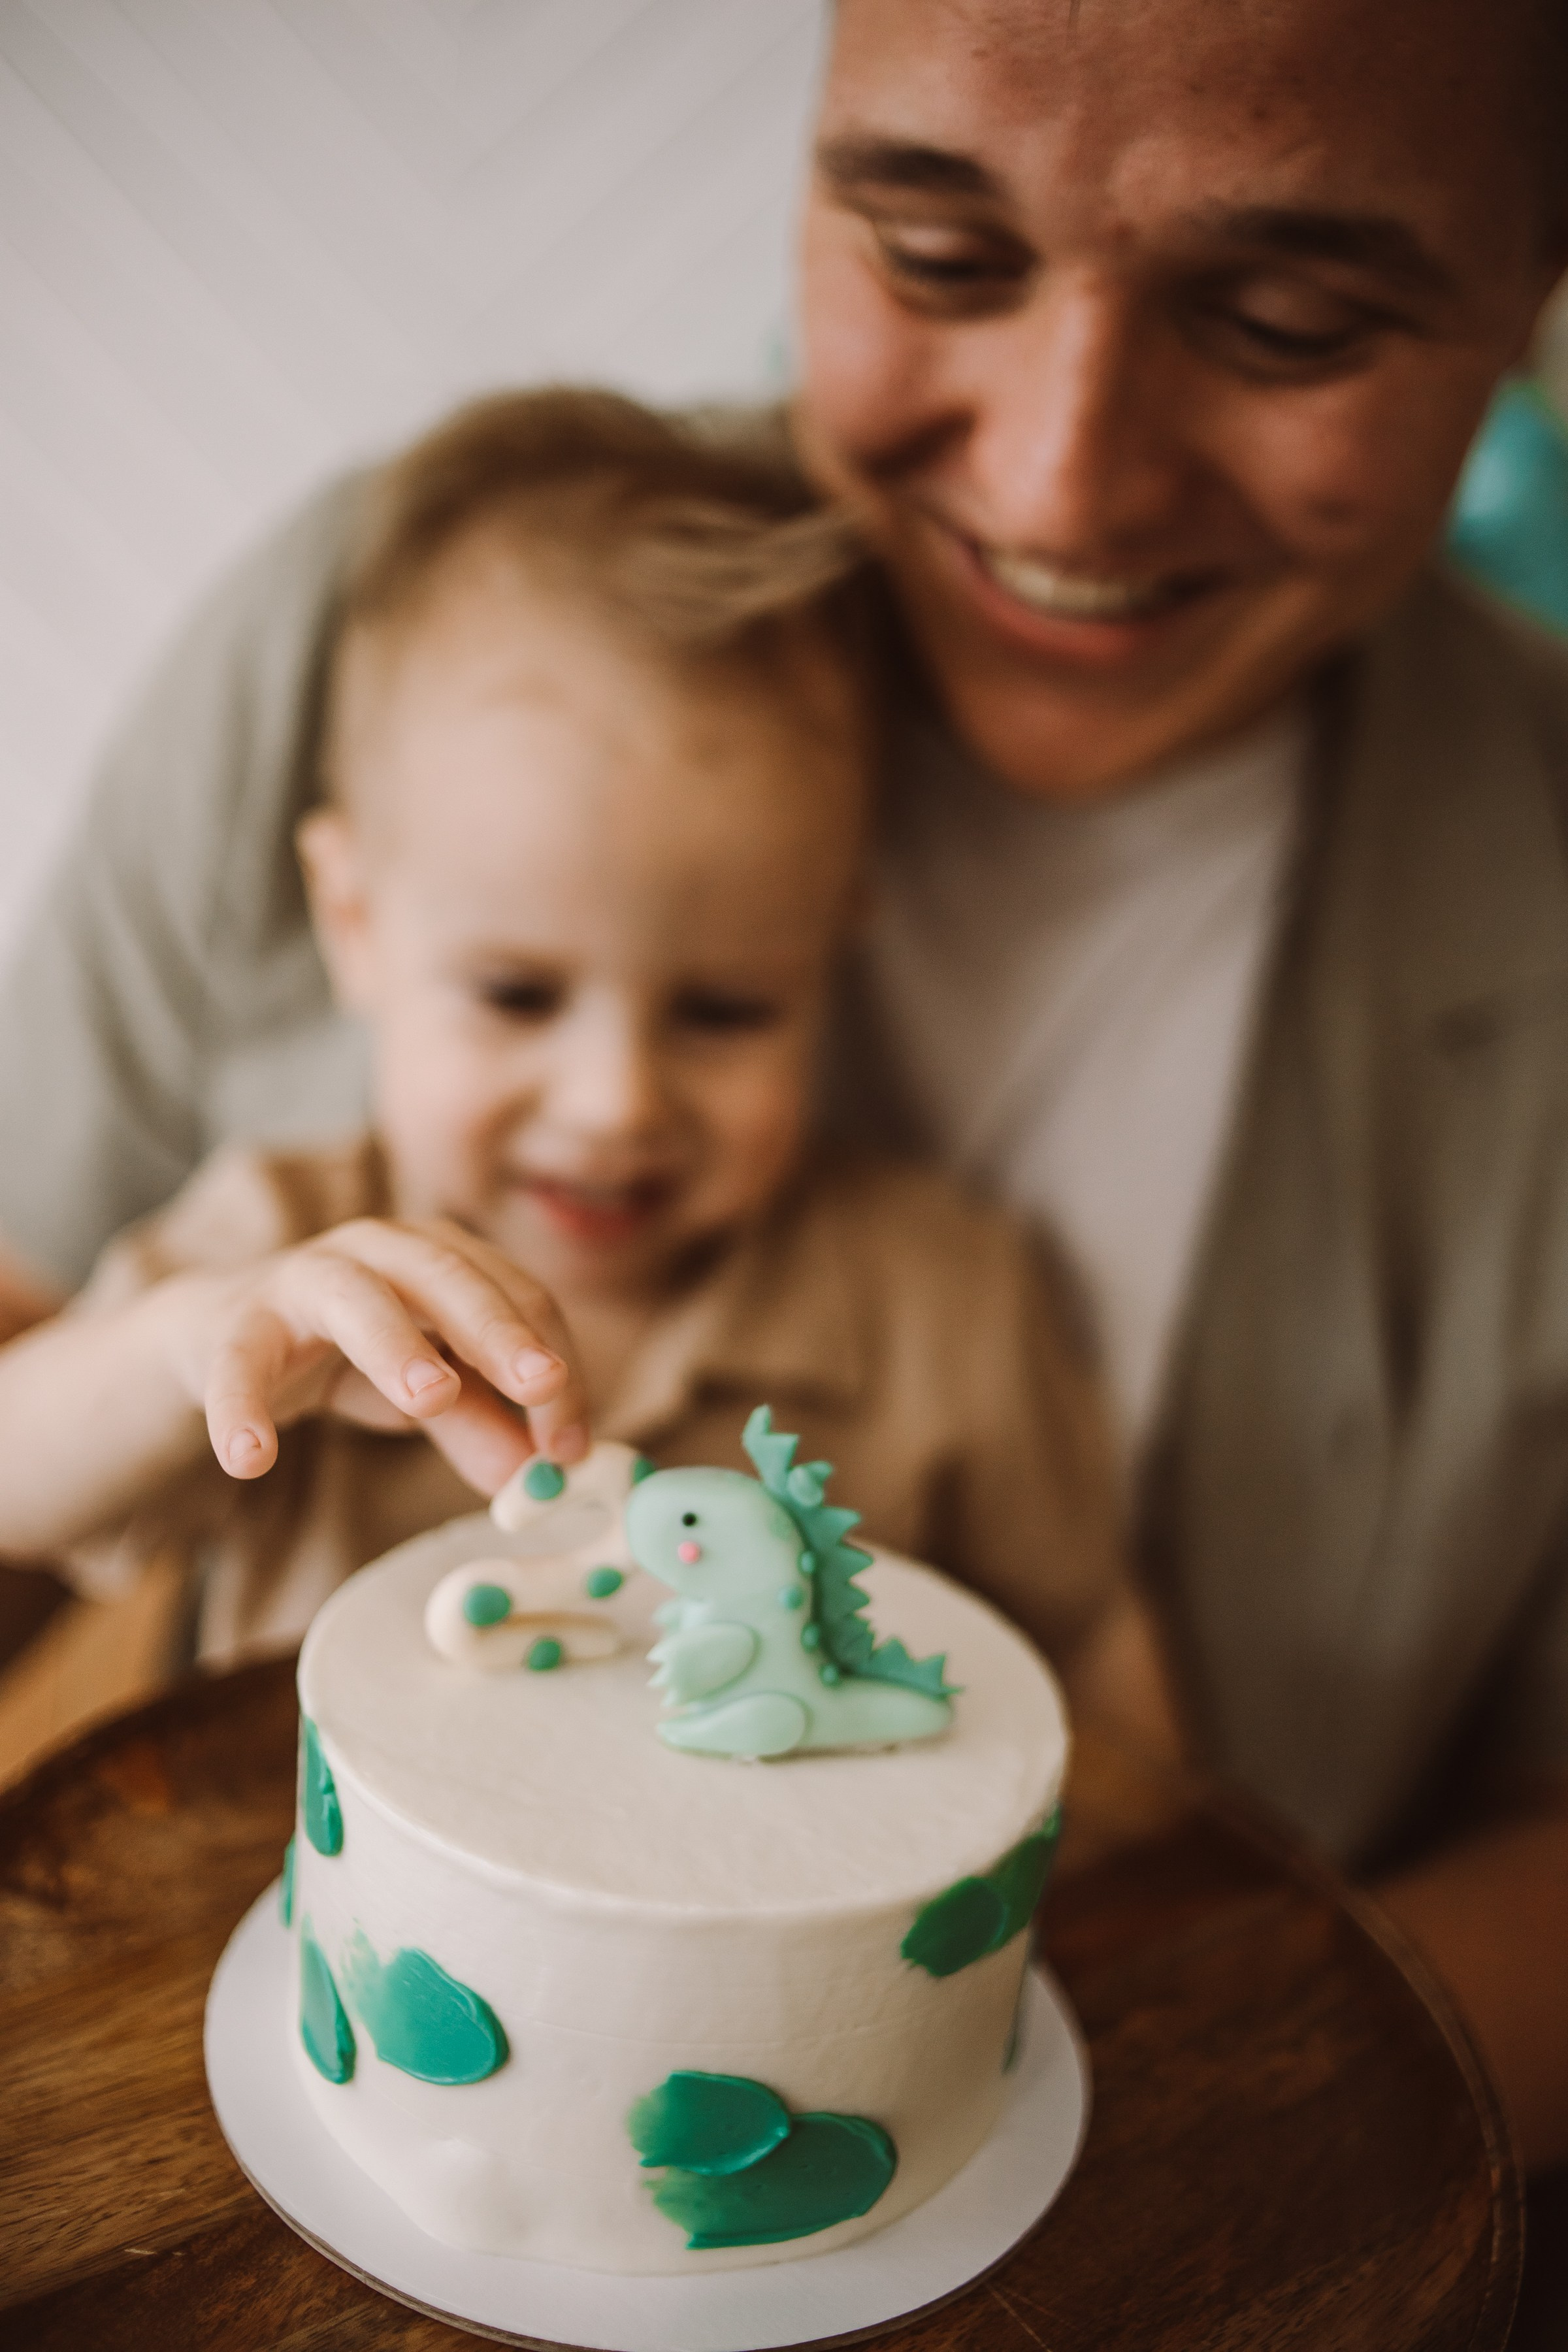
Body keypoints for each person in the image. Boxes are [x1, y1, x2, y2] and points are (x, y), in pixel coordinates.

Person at [0, 0, 1565, 2164]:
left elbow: (1118, 1739)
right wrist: (167, 1360)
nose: (1059, 472)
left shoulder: (949, 1291)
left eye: (1293, 318)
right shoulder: (418, 617)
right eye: (934, 254)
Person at [0, 387, 1169, 1746]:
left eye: (726, 1010)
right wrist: (183, 1348)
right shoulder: (288, 1249)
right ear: (354, 923)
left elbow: (1093, 1655)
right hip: (291, 1934)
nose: (616, 1104)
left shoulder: (950, 1303)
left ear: (834, 951)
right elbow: (18, 1492)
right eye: (516, 994)